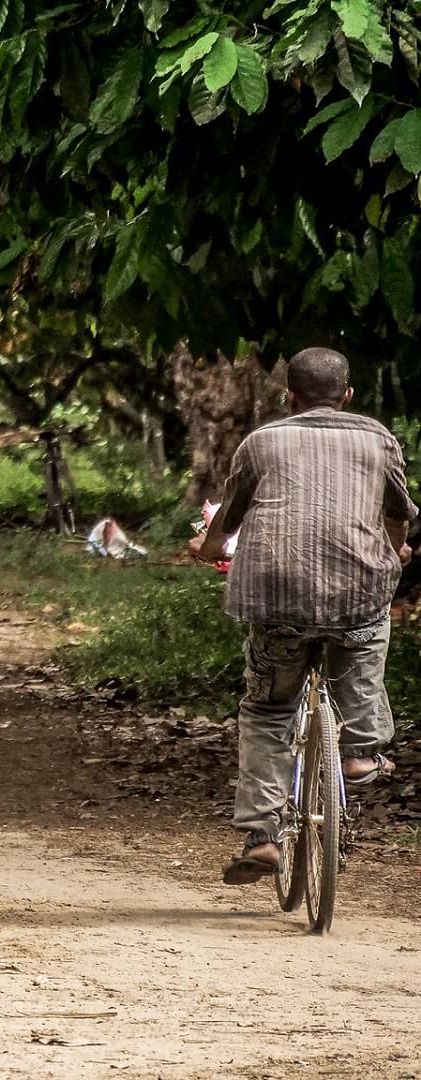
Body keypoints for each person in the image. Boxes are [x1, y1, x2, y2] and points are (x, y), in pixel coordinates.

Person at [190, 347, 415, 885]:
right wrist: (396, 550)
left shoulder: (260, 442)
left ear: (288, 397)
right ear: (349, 395)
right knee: (363, 639)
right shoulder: (378, 439)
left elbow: (229, 518)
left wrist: (210, 547)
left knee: (268, 711)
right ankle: (359, 750)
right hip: (357, 591)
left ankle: (263, 838)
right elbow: (397, 514)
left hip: (275, 598)